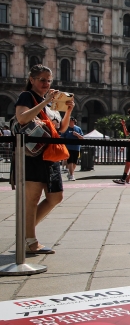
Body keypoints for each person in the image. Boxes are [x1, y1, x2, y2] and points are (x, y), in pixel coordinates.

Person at [14, 64, 74, 255]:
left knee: (55, 197)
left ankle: (25, 232)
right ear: (32, 80)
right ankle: (30, 241)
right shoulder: (27, 97)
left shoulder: (49, 103)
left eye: (48, 80)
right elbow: (22, 118)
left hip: (50, 155)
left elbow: (61, 130)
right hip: (33, 155)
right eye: (42, 80)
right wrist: (44, 101)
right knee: (31, 199)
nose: (46, 84)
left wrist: (68, 112)